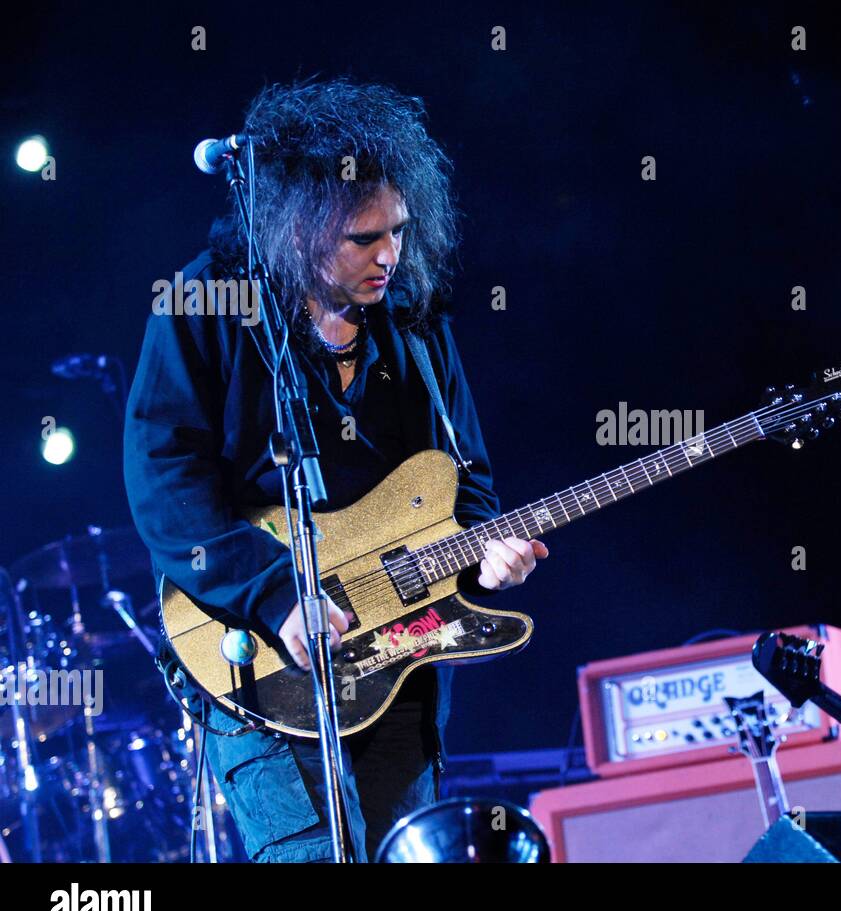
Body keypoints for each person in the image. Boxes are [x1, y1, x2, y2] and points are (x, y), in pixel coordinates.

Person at [123, 78, 547, 862]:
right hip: (256, 662)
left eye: (398, 231)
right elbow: (165, 481)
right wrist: (275, 591)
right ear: (297, 230)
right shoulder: (203, 304)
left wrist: (488, 556)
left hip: (402, 660)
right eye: (363, 239)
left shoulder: (413, 322)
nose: (389, 254)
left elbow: (469, 484)